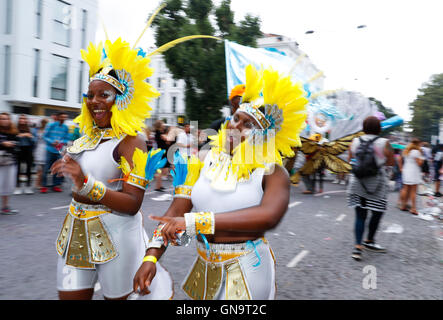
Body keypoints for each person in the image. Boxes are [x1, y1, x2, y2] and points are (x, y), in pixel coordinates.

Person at [133, 64, 309, 300]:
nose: (236, 126)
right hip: (205, 268)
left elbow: (268, 215)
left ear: (266, 135)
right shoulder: (202, 161)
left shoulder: (272, 172)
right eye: (236, 118)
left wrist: (195, 222)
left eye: (248, 125)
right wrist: (151, 256)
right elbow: (176, 210)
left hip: (247, 267)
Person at [50, 39, 172, 300]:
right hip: (76, 233)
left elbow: (132, 203)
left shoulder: (131, 141)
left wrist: (85, 183)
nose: (94, 101)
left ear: (122, 99)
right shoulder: (84, 137)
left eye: (103, 95)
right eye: (90, 95)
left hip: (117, 237)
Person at [347, 116, 394, 261]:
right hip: (377, 184)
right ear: (379, 128)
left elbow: (351, 159)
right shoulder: (385, 143)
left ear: (364, 127)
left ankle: (357, 248)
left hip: (358, 182)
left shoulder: (355, 141)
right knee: (377, 212)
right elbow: (391, 162)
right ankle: (369, 240)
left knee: (360, 215)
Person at [41, 111, 70, 193]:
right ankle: (44, 186)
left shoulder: (65, 127)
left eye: (65, 117)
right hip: (49, 150)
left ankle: (56, 185)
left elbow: (67, 138)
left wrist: (60, 142)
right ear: (57, 117)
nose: (63, 119)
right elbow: (45, 136)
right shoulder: (50, 125)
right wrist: (52, 142)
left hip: (59, 151)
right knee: (46, 168)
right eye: (62, 117)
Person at [398, 138, 424, 215]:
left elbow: (399, 159)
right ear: (418, 144)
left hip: (406, 170)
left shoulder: (406, 150)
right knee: (413, 191)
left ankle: (403, 205)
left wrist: (401, 168)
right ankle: (413, 208)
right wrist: (422, 159)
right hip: (413, 172)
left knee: (405, 189)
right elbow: (419, 163)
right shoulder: (416, 152)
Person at [0, 112, 19, 214]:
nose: (4, 121)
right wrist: (3, 143)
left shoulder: (13, 132)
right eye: (2, 119)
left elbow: (17, 144)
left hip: (9, 161)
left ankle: (5, 207)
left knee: (7, 185)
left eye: (6, 119)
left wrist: (13, 144)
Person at [14, 114, 36, 195]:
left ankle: (28, 187)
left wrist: (30, 136)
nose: (22, 120)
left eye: (24, 119)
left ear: (26, 120)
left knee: (28, 170)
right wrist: (20, 135)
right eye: (21, 119)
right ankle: (18, 187)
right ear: (19, 120)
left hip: (28, 150)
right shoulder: (15, 128)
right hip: (19, 150)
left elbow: (34, 140)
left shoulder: (31, 129)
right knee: (18, 170)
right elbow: (14, 138)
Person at [32, 117, 49, 190]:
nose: (44, 124)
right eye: (43, 122)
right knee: (39, 168)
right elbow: (35, 140)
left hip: (46, 149)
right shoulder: (37, 130)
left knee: (43, 168)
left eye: (45, 123)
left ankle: (40, 183)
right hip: (38, 149)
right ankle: (38, 183)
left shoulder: (48, 130)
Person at [153, 120, 170, 192]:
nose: (164, 125)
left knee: (162, 170)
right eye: (163, 124)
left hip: (162, 152)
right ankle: (158, 187)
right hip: (162, 153)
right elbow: (168, 139)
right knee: (160, 170)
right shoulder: (159, 133)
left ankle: (159, 186)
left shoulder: (159, 133)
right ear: (159, 125)